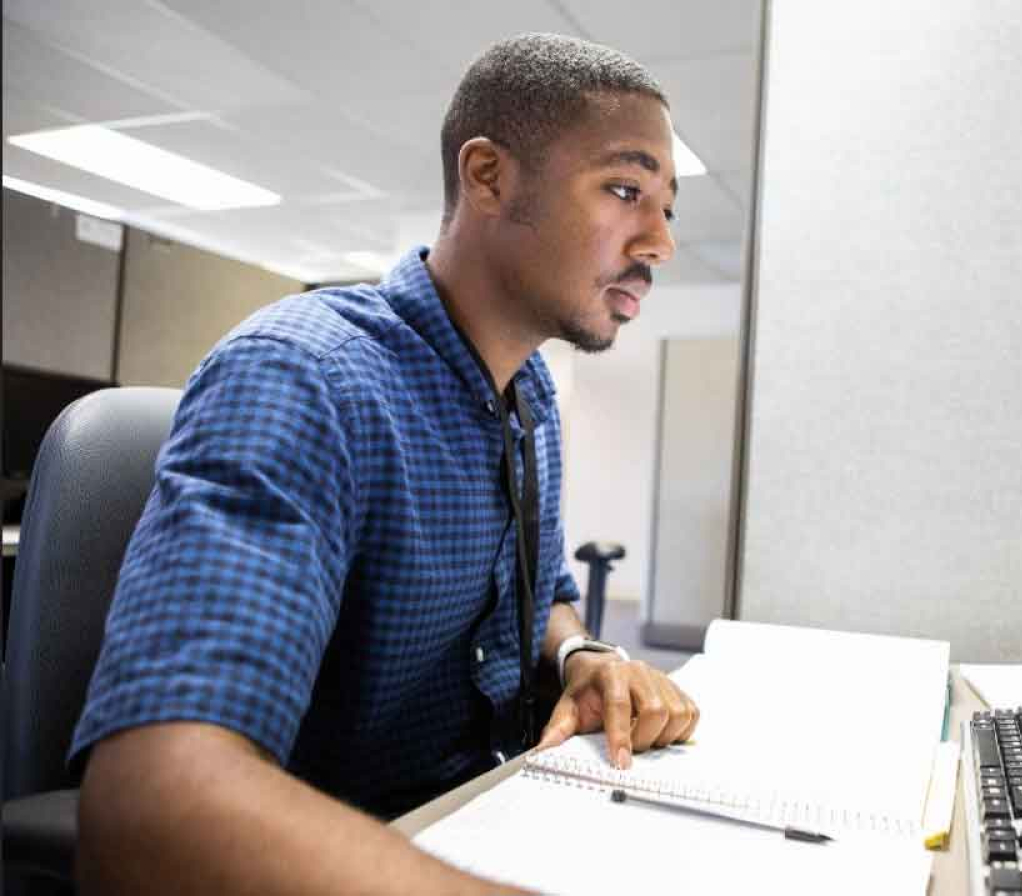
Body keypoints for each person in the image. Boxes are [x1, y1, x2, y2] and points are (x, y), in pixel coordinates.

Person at [73, 33, 698, 895]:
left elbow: (538, 592)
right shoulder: (306, 377)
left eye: (667, 207)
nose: (660, 242)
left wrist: (583, 655)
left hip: (486, 814)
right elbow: (150, 806)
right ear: (488, 177)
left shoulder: (530, 399)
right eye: (626, 190)